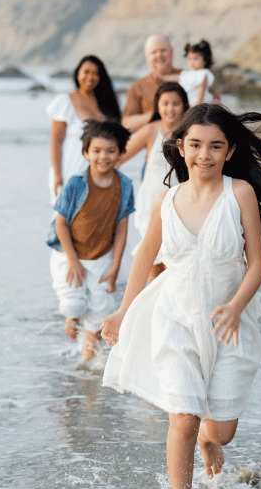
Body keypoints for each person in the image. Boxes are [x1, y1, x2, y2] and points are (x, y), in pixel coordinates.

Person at [101, 103, 261, 489]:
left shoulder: (240, 194)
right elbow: (144, 259)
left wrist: (234, 306)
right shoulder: (165, 200)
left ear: (230, 151)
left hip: (228, 324)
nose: (204, 155)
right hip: (174, 319)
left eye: (215, 146)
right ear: (180, 147)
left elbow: (258, 263)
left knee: (222, 431)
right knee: (184, 417)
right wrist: (123, 312)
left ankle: (208, 440)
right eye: (195, 144)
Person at [47, 119, 134, 364]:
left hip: (101, 257)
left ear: (120, 153)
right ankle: (72, 318)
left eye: (110, 151)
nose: (103, 157)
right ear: (86, 153)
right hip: (68, 254)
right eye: (96, 151)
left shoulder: (124, 185)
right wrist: (73, 261)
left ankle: (86, 365)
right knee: (73, 304)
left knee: (100, 312)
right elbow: (60, 224)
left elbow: (121, 228)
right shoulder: (76, 183)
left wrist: (115, 267)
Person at [120, 81, 189, 282]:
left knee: (174, 262)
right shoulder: (151, 130)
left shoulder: (191, 133)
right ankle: (152, 301)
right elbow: (119, 158)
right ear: (157, 106)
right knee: (153, 262)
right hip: (151, 204)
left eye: (175, 103)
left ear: (184, 105)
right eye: (165, 103)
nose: (170, 108)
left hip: (181, 204)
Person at [47, 55, 120, 203]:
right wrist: (58, 175)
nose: (90, 77)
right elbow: (56, 141)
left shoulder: (106, 103)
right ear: (77, 73)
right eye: (86, 72)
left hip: (100, 173)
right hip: (71, 168)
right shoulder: (66, 101)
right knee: (66, 214)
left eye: (95, 73)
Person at [122, 35, 181, 133]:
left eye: (163, 50)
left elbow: (209, 105)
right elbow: (127, 124)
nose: (159, 55)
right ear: (146, 57)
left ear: (172, 51)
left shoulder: (189, 77)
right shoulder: (137, 87)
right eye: (154, 52)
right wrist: (158, 113)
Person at [179, 39, 216, 106]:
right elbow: (176, 77)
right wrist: (163, 77)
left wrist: (197, 105)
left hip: (198, 103)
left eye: (196, 58)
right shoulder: (188, 73)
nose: (192, 62)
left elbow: (201, 92)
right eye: (190, 59)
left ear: (205, 60)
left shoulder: (203, 74)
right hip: (189, 102)